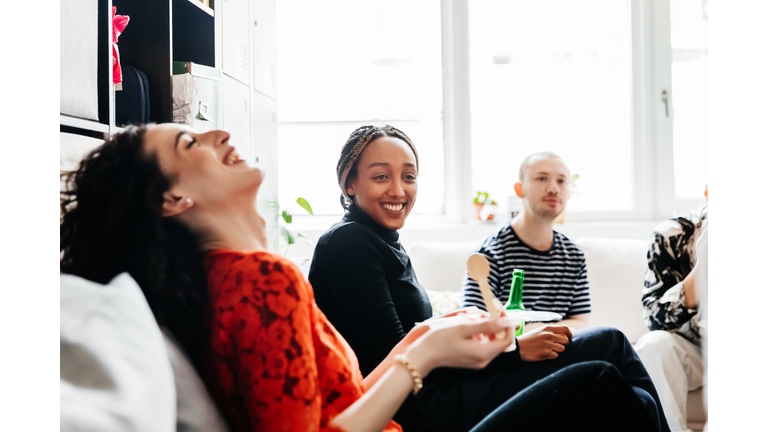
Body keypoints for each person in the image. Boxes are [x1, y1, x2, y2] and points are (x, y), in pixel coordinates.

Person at [60, 124, 533, 432]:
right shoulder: (262, 279)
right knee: (598, 368)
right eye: (190, 143)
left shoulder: (225, 277)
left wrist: (429, 338)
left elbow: (332, 404)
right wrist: (424, 356)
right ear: (172, 198)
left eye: (408, 175)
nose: (219, 133)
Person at [309, 125, 671, 432]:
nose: (399, 191)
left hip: (439, 388)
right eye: (381, 176)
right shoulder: (348, 244)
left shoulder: (380, 241)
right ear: (350, 184)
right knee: (605, 371)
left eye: (408, 176)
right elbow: (396, 356)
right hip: (421, 407)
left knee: (616, 351)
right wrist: (513, 351)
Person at [461, 152, 590, 332]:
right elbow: (473, 323)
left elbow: (581, 322)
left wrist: (535, 329)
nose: (554, 188)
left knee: (611, 337)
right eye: (542, 178)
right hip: (512, 355)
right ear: (519, 189)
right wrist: (537, 333)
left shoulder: (574, 254)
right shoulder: (491, 252)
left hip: (563, 352)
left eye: (561, 181)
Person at [634, 193, 708, 432]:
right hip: (695, 348)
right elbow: (654, 318)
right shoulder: (672, 235)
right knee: (654, 345)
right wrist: (702, 269)